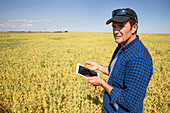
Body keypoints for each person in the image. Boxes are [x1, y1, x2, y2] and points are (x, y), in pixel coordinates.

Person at [83, 8, 153, 113]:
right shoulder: (123, 46)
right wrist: (99, 67)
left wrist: (103, 83)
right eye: (114, 26)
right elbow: (120, 75)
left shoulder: (138, 58)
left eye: (121, 26)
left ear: (134, 28)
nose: (116, 31)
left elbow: (129, 102)